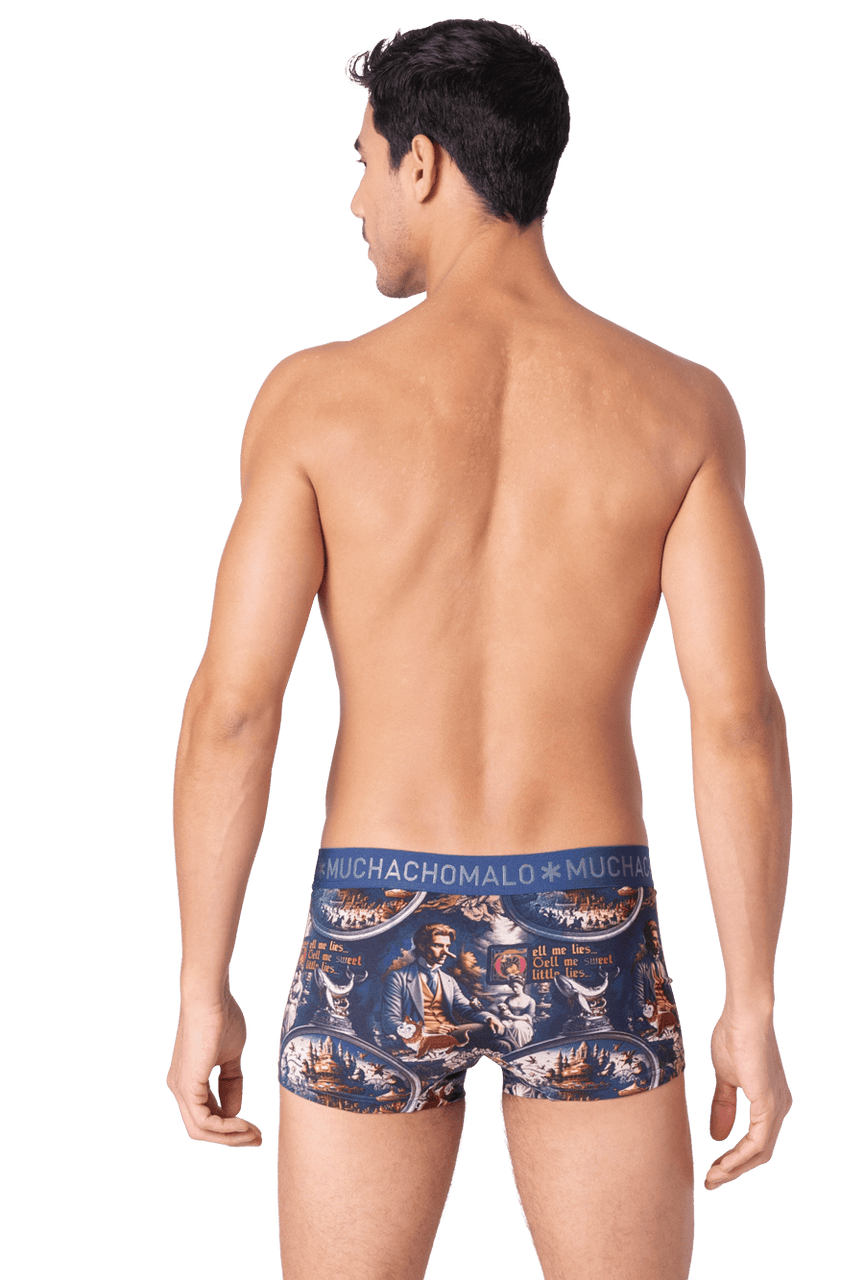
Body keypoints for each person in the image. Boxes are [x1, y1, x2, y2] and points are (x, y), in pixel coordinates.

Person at [165, 16, 793, 1280]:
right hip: (589, 913)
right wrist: (754, 1000)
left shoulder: (314, 401)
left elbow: (235, 707)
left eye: (361, 163)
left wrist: (200, 984)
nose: (356, 201)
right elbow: (734, 718)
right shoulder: (679, 406)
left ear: (426, 162)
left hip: (374, 921)